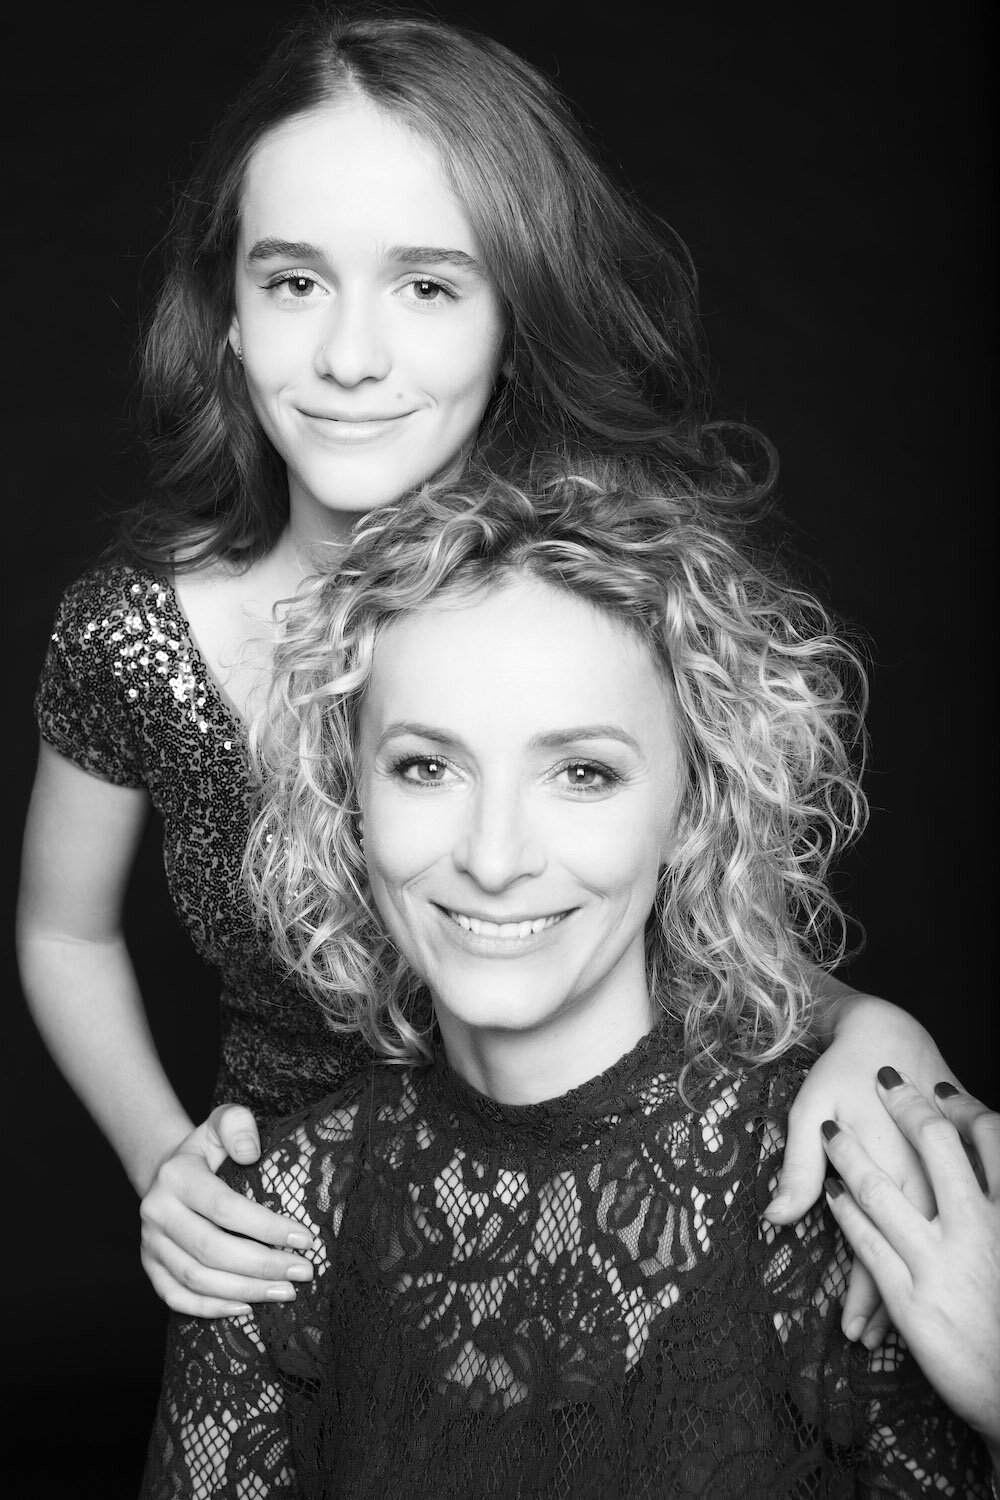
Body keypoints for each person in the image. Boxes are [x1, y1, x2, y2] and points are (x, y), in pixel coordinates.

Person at [16, 6, 963, 1332]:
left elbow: (695, 916)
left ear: (514, 319)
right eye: (293, 282)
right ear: (226, 314)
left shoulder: (615, 595)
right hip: (299, 1255)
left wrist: (865, 1024)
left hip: (615, 1217)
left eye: (427, 285)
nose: (350, 357)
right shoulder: (133, 635)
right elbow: (62, 931)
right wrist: (160, 1160)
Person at [140, 472, 998, 1497]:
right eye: (425, 767)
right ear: (348, 796)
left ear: (693, 809)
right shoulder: (261, 1229)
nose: (494, 858)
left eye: (582, 772)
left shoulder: (865, 1204)